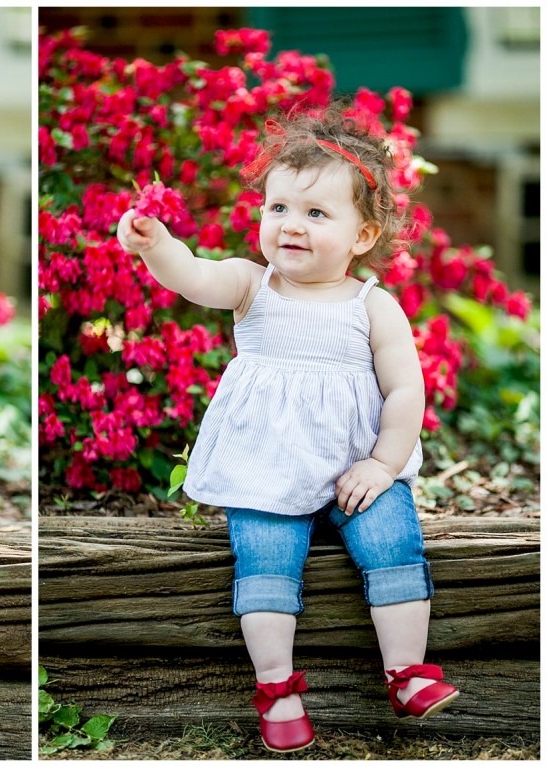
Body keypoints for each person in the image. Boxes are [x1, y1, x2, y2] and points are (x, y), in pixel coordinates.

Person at [117, 107, 458, 753]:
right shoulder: (253, 284)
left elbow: (407, 389)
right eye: (278, 208)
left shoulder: (372, 305)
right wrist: (156, 243)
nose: (290, 225)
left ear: (364, 235)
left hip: (358, 470)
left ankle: (407, 670)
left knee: (394, 543)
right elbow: (192, 276)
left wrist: (384, 465)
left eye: (316, 214)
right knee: (267, 562)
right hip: (267, 468)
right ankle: (278, 688)